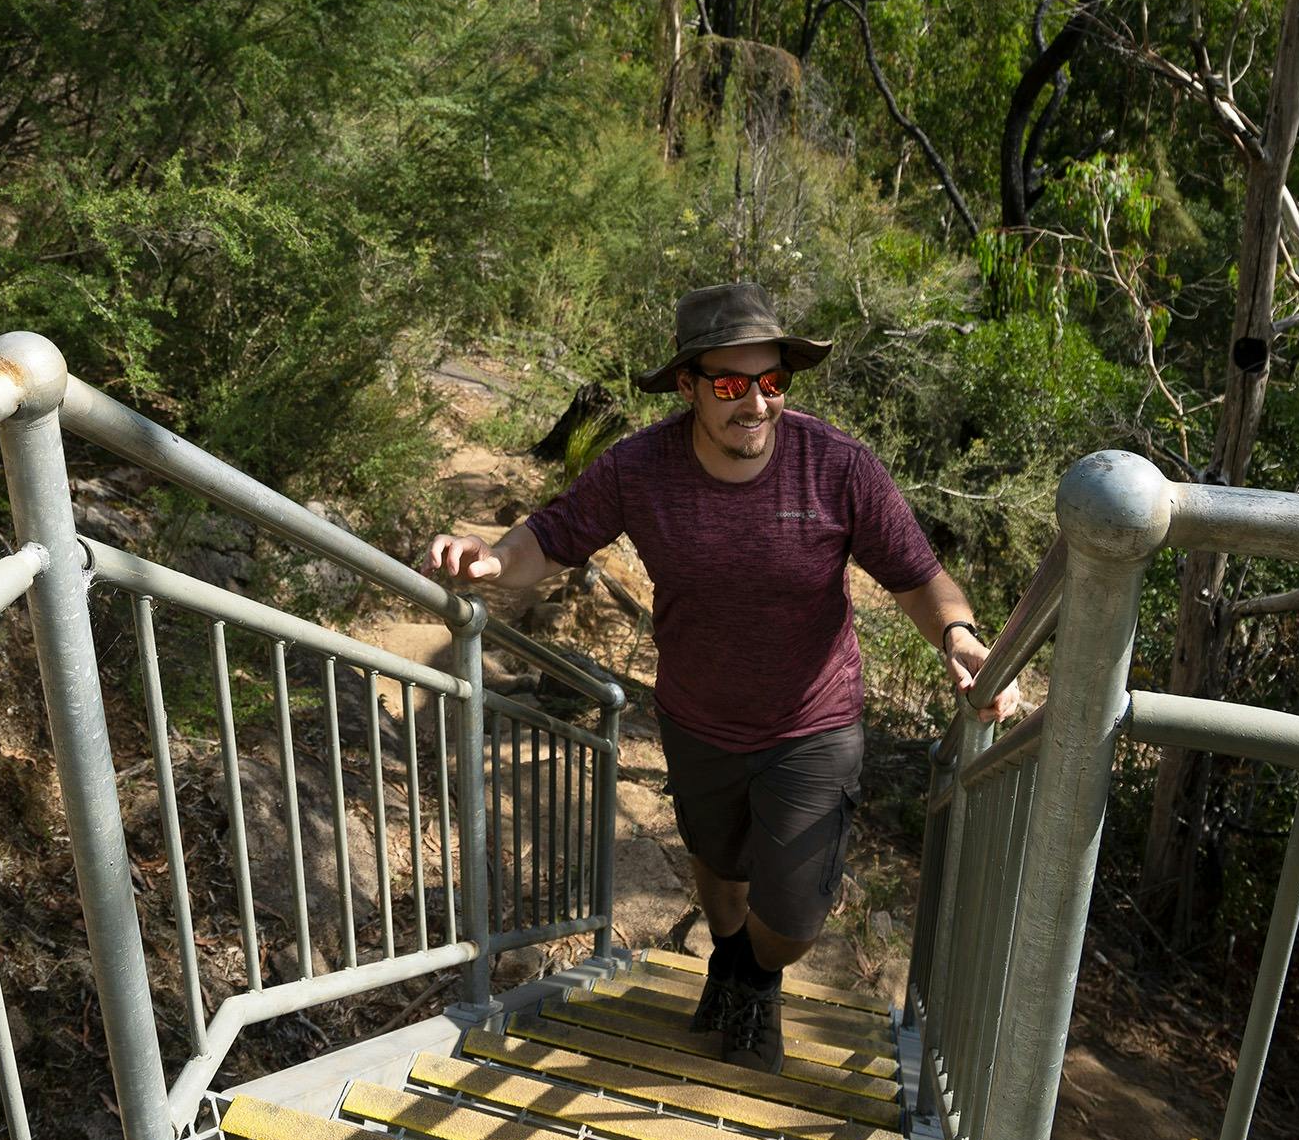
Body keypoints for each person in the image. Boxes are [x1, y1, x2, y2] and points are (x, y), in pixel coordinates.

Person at [421, 281, 1012, 1071]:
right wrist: (493, 560)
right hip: (697, 716)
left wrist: (960, 636)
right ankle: (728, 957)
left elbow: (917, 578)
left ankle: (756, 977)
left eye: (772, 381)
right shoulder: (640, 470)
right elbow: (554, 536)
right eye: (731, 386)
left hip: (814, 722)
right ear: (689, 387)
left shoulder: (837, 467)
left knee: (794, 920)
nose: (757, 404)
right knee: (720, 865)